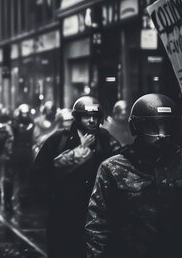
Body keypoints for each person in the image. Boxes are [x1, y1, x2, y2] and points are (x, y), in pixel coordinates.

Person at [85, 93, 182, 257]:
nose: (161, 134)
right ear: (137, 127)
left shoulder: (178, 163)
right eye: (153, 127)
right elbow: (97, 225)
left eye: (167, 126)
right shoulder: (114, 168)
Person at [31, 96, 120, 258]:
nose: (92, 121)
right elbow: (40, 171)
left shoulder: (105, 138)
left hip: (95, 212)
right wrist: (49, 199)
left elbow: (119, 163)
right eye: (87, 116)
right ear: (78, 117)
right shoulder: (59, 138)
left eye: (95, 117)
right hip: (63, 212)